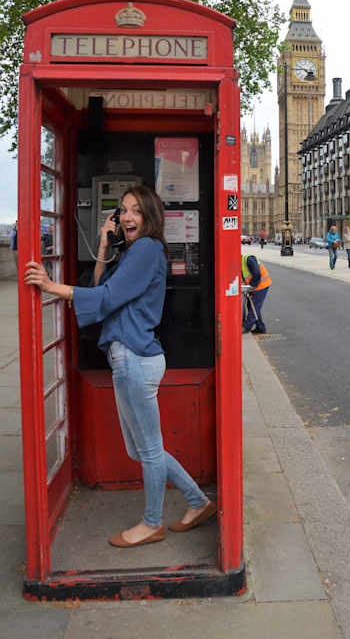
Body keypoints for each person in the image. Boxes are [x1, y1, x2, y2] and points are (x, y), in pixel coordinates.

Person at [25, 186, 215, 548]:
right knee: (143, 449)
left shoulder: (146, 249)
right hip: (129, 359)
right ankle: (198, 501)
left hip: (136, 359)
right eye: (122, 211)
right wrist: (102, 245)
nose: (127, 217)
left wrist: (52, 286)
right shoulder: (133, 252)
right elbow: (100, 286)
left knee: (148, 449)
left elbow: (106, 299)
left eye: (135, 211)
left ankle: (152, 523)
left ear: (149, 217)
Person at [241, 252, 272, 334]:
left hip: (262, 285)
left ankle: (246, 327)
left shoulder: (248, 259)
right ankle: (260, 327)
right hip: (255, 286)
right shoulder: (240, 263)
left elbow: (257, 274)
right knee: (251, 306)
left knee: (254, 307)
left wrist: (251, 287)